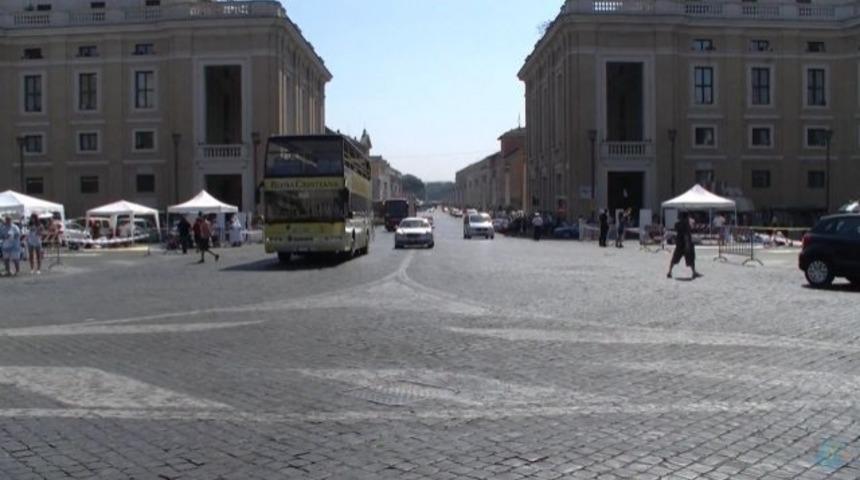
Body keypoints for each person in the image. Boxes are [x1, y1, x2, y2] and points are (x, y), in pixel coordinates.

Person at [667, 211, 701, 279]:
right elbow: (686, 235)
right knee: (690, 258)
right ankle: (694, 272)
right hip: (686, 244)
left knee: (674, 258)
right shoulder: (686, 224)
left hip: (679, 244)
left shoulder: (677, 224)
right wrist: (687, 244)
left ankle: (669, 272)